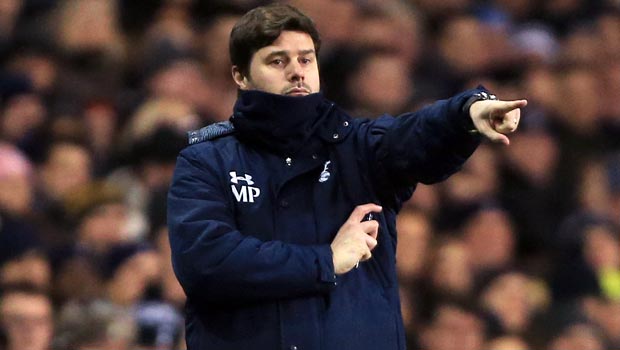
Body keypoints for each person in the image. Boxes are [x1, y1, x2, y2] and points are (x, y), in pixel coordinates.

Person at [167, 4, 526, 349]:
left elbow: (414, 135)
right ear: (240, 76)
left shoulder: (357, 149)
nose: (297, 71)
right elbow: (207, 262)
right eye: (277, 61)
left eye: (306, 59)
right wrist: (326, 260)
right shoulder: (207, 161)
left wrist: (465, 114)